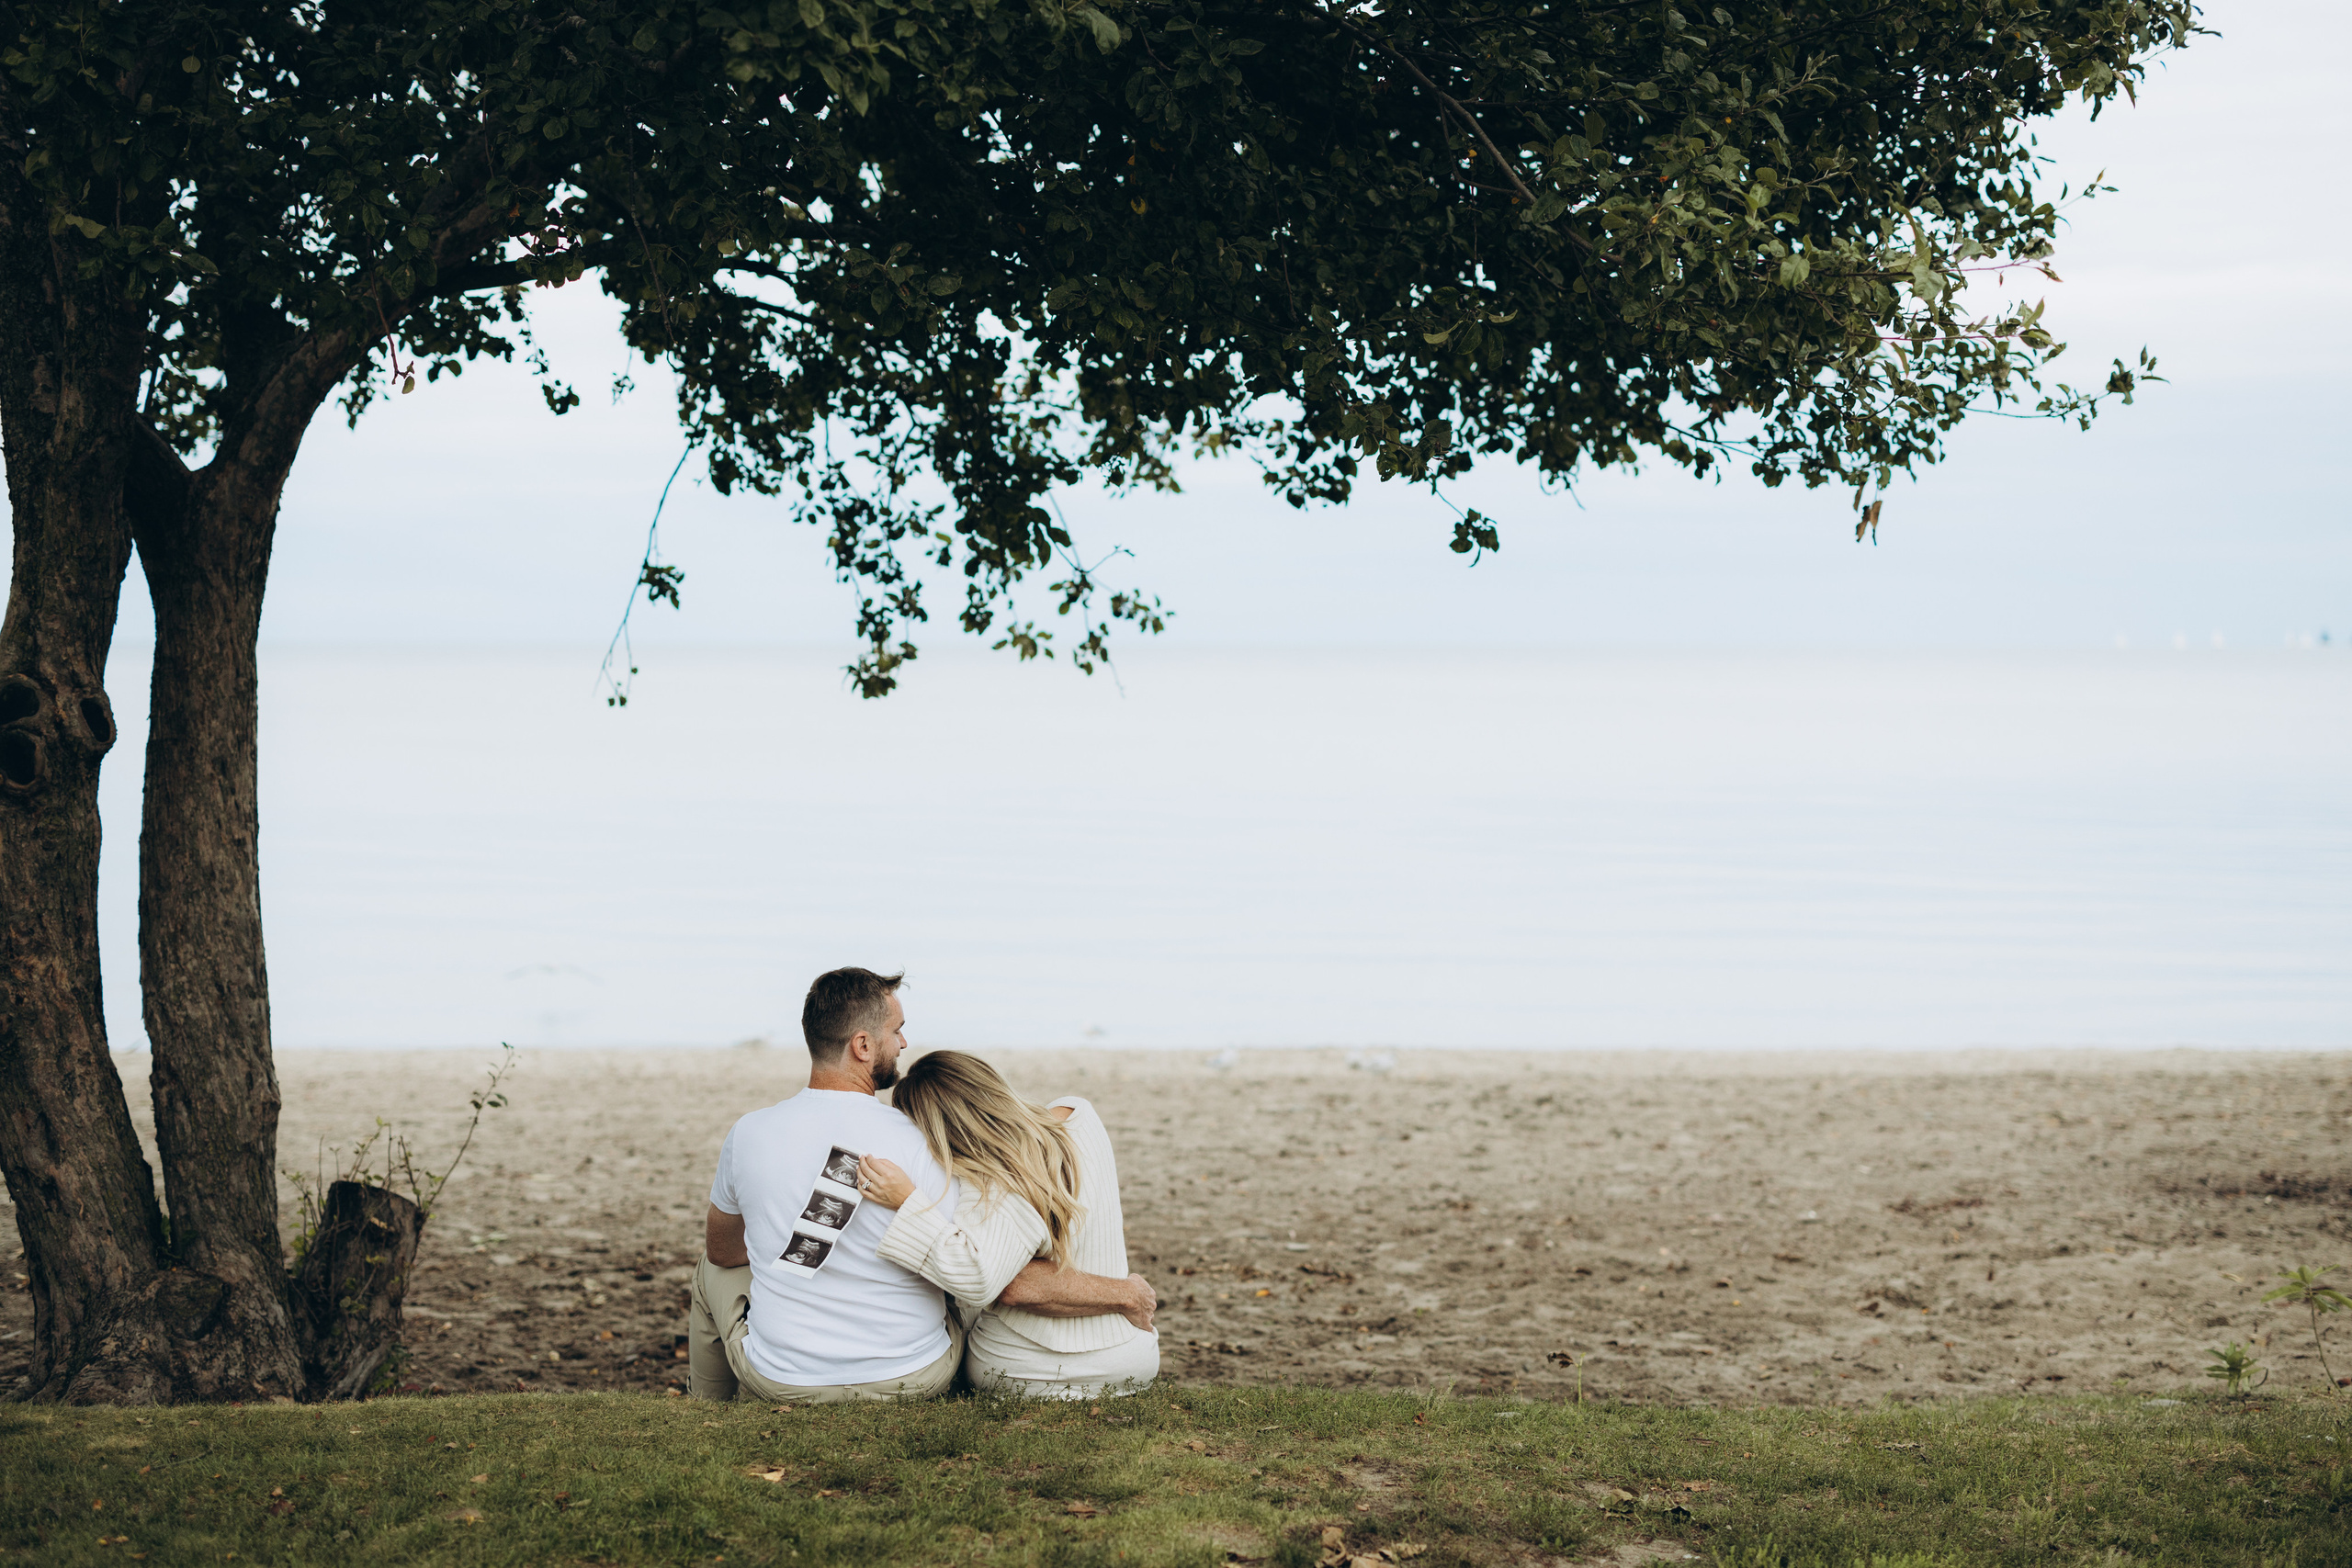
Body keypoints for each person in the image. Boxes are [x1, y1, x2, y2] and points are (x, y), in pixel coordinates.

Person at [689, 968, 1152, 1404]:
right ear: (864, 1045)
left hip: (782, 1379)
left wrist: (797, 1258)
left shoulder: (748, 1132)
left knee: (711, 1270)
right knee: (955, 1280)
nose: (904, 1041)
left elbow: (726, 1252)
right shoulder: (927, 1144)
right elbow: (984, 1269)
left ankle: (706, 1407)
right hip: (911, 1376)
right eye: (897, 1030)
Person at [855, 1049, 1160, 1399]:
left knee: (950, 1299)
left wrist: (907, 1202)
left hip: (1020, 1368)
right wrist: (1126, 1294)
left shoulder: (989, 1185)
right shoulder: (1081, 1115)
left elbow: (994, 1279)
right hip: (1129, 1359)